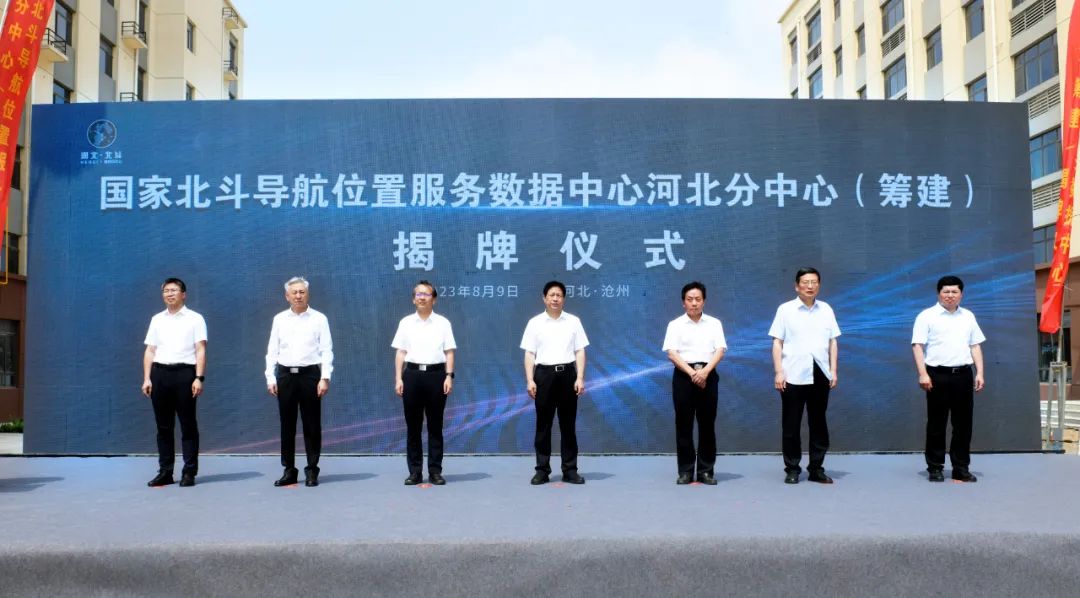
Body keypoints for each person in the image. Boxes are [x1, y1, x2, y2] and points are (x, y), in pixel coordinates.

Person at [769, 267, 840, 485]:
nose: (810, 286)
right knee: (791, 424)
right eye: (805, 282)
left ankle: (816, 468)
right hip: (792, 372)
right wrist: (779, 371)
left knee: (818, 423)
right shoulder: (785, 310)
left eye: (814, 282)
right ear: (796, 286)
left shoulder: (826, 309)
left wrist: (833, 370)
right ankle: (792, 468)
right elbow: (777, 342)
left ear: (819, 285)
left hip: (820, 371)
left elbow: (833, 341)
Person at [911, 275, 985, 483]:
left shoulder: (968, 316)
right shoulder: (926, 316)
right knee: (937, 424)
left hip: (963, 375)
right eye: (946, 291)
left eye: (954, 292)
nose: (950, 295)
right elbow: (917, 346)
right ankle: (935, 467)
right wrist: (923, 373)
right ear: (939, 293)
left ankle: (961, 468)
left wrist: (980, 372)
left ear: (961, 294)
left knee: (963, 425)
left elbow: (975, 345)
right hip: (937, 375)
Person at [265, 276, 333, 487]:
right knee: (287, 425)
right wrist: (270, 376)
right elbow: (272, 350)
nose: (298, 296)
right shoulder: (279, 319)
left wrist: (324, 377)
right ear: (287, 296)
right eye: (294, 292)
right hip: (285, 376)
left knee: (312, 425)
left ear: (308, 294)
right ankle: (289, 470)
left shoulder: (319, 319)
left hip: (310, 376)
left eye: (302, 292)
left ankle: (312, 469)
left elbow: (326, 350)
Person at [521, 281, 589, 485]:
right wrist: (530, 380)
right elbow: (530, 353)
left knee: (568, 425)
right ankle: (542, 470)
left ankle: (570, 470)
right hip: (544, 376)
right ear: (544, 298)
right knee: (543, 425)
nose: (555, 299)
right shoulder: (535, 323)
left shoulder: (573, 321)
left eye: (559, 295)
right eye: (551, 295)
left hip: (568, 374)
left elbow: (580, 351)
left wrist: (580, 377)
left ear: (564, 299)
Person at [141, 277, 207, 488]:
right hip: (160, 374)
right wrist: (147, 378)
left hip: (185, 374)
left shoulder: (195, 319)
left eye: (173, 290)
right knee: (163, 427)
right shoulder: (157, 319)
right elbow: (150, 350)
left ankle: (189, 471)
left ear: (183, 294)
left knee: (188, 425)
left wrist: (198, 377)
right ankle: (165, 471)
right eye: (166, 291)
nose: (169, 294)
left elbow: (200, 349)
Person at [392, 280, 457, 486]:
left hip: (436, 376)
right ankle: (415, 472)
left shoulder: (443, 323)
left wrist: (449, 376)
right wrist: (398, 378)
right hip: (412, 376)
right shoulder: (405, 323)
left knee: (435, 426)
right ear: (413, 299)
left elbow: (449, 352)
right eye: (418, 294)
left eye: (426, 294)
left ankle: (435, 471)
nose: (422, 297)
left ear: (434, 299)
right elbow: (400, 352)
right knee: (413, 427)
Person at [662, 282, 727, 485]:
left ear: (704, 301)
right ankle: (686, 471)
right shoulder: (675, 325)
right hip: (684, 376)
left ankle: (706, 471)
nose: (694, 303)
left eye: (698, 299)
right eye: (690, 299)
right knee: (684, 425)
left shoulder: (714, 323)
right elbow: (672, 353)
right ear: (683, 302)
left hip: (708, 375)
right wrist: (692, 373)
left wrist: (705, 372)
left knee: (707, 425)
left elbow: (720, 350)